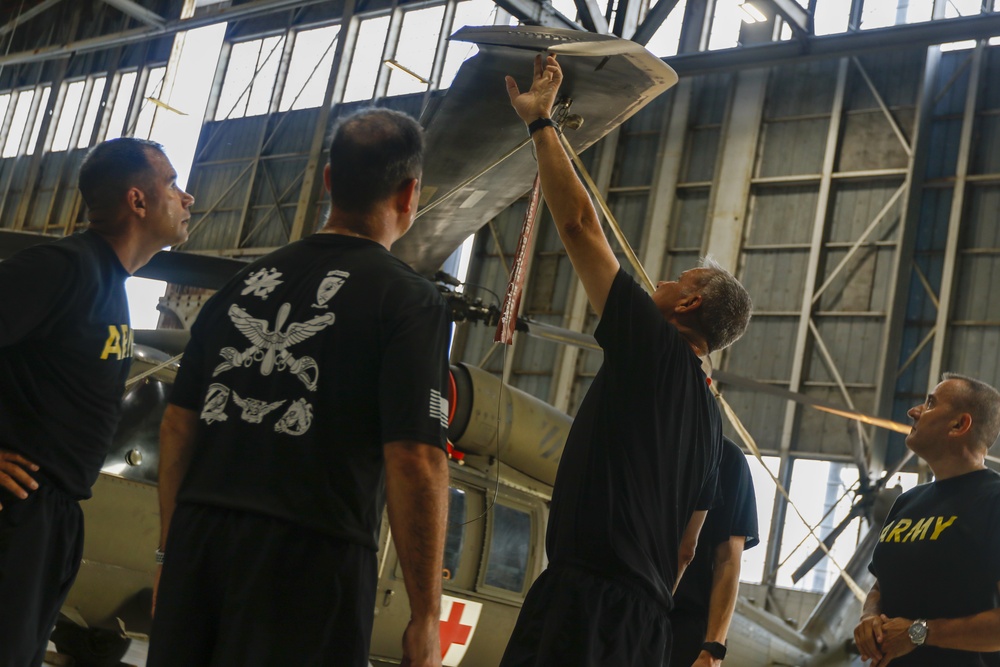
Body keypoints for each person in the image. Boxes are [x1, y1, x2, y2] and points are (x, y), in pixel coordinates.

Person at [147, 108, 451, 667]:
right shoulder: (410, 301)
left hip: (201, 546)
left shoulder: (240, 287)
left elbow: (177, 422)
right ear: (410, 194)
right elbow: (415, 458)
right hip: (312, 562)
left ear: (329, 181)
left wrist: (172, 555)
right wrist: (425, 616)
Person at [499, 55, 753, 667]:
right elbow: (688, 548)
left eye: (676, 278)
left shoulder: (657, 352)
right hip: (646, 627)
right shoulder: (710, 429)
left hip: (587, 599)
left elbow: (582, 225)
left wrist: (541, 126)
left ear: (688, 304)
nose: (660, 283)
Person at [0, 137, 193, 667]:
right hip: (17, 512)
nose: (188, 197)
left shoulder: (110, 286)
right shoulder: (61, 268)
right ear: (137, 201)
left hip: (54, 517)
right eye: (173, 184)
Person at [854, 373, 1000, 666]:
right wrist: (869, 616)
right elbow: (881, 586)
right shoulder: (906, 502)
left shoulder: (994, 501)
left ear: (959, 424)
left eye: (930, 403)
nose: (914, 411)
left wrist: (917, 633)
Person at [670, 436, 760, 667]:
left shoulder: (727, 457)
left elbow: (728, 561)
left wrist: (713, 650)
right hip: (628, 611)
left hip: (684, 625)